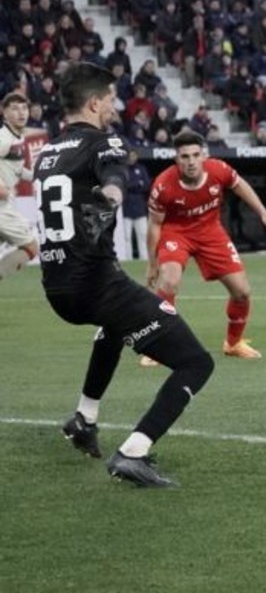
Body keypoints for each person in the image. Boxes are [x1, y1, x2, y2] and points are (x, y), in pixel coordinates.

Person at [36, 63, 215, 488]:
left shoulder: (47, 151)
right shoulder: (104, 141)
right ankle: (134, 451)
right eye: (111, 99)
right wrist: (112, 196)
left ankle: (84, 418)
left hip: (57, 286)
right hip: (95, 283)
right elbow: (115, 179)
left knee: (114, 329)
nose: (114, 106)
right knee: (196, 362)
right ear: (95, 102)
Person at [143, 130, 266, 365]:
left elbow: (241, 186)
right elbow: (155, 225)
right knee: (169, 280)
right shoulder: (163, 185)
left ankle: (233, 343)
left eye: (195, 155)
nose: (191, 162)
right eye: (184, 157)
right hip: (176, 232)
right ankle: (156, 348)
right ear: (176, 159)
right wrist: (152, 263)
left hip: (210, 231)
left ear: (204, 155)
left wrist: (264, 214)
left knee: (242, 292)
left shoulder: (219, 170)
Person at [0, 91, 40, 279]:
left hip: (4, 205)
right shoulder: (4, 138)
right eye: (14, 108)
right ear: (4, 112)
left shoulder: (17, 137)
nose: (21, 113)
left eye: (24, 108)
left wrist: (40, 175)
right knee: (31, 247)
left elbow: (17, 169)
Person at [119, 149, 151, 260]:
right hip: (126, 209)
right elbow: (123, 185)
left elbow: (147, 185)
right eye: (130, 155)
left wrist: (132, 186)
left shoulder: (141, 169)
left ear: (136, 156)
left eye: (134, 155)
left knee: (143, 236)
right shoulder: (123, 169)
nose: (132, 158)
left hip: (140, 209)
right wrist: (137, 184)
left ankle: (144, 259)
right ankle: (128, 259)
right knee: (126, 237)